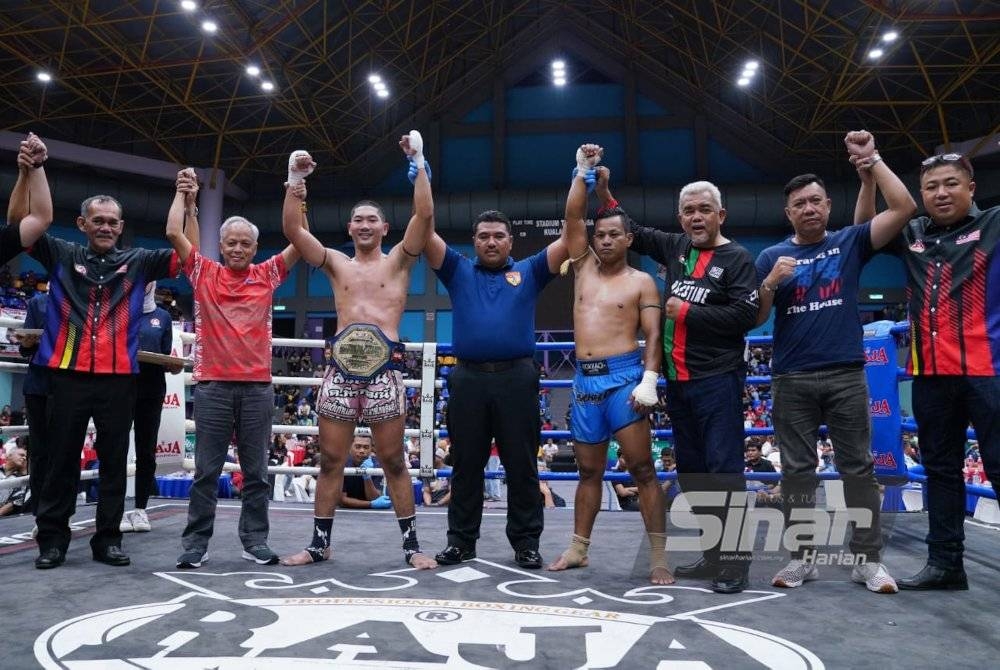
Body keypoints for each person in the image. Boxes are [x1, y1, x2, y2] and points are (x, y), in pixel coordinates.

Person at [755, 130, 915, 594]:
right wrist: (769, 282)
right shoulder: (772, 255)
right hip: (791, 377)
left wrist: (872, 162)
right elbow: (757, 318)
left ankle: (867, 560)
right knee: (797, 473)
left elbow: (903, 208)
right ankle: (802, 558)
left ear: (827, 205)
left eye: (815, 201)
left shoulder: (849, 243)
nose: (808, 208)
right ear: (788, 213)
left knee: (858, 470)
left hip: (845, 372)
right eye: (799, 203)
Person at [595, 168, 758, 593]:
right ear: (681, 217)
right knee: (693, 473)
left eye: (705, 209)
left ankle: (735, 563)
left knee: (724, 472)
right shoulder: (677, 246)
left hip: (718, 378)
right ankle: (714, 554)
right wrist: (606, 190)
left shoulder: (737, 258)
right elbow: (631, 228)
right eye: (688, 211)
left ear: (721, 214)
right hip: (679, 383)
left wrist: (686, 312)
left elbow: (746, 316)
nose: (696, 217)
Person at [279, 132, 437, 569]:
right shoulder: (334, 261)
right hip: (341, 375)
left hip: (385, 376)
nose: (365, 225)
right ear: (349, 228)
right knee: (330, 460)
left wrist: (419, 163)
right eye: (358, 220)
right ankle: (318, 545)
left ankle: (411, 546)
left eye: (372, 220)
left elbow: (424, 213)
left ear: (385, 228)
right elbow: (293, 229)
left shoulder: (401, 260)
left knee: (393, 460)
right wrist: (295, 180)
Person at [31, 183, 179, 569]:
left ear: (121, 226)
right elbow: (26, 224)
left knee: (114, 462)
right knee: (61, 461)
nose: (106, 227)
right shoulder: (61, 252)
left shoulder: (140, 260)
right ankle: (52, 541)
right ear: (82, 223)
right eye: (98, 220)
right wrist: (33, 170)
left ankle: (108, 540)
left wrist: (189, 201)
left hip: (118, 379)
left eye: (112, 222)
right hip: (67, 376)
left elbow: (186, 253)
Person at [425, 183, 570, 572]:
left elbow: (572, 238)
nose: (491, 242)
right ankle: (460, 543)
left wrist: (579, 180)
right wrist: (420, 171)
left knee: (521, 464)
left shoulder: (531, 270)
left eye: (498, 236)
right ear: (474, 241)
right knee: (466, 464)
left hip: (517, 379)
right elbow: (424, 230)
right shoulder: (457, 269)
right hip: (468, 379)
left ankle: (526, 544)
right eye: (484, 236)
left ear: (511, 242)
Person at [546, 144, 671, 584]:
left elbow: (655, 335)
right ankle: (579, 549)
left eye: (614, 235)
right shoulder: (582, 267)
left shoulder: (642, 282)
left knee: (642, 469)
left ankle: (657, 555)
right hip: (584, 383)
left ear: (628, 239)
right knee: (588, 471)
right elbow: (573, 219)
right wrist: (583, 171)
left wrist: (650, 379)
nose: (605, 240)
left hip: (625, 379)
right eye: (600, 235)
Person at [166, 167, 299, 569]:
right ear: (220, 245)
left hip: (257, 387)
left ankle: (255, 540)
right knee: (205, 472)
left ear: (255, 247)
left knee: (256, 472)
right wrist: (181, 193)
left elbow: (298, 237)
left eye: (245, 243)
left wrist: (296, 187)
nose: (238, 249)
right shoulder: (204, 273)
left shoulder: (268, 274)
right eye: (231, 243)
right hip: (212, 387)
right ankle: (196, 544)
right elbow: (175, 232)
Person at [879, 152, 1000, 590]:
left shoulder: (995, 224)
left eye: (951, 183)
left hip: (989, 371)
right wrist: (870, 166)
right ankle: (946, 565)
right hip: (930, 374)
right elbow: (862, 230)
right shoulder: (911, 232)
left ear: (971, 187)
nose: (941, 193)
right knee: (941, 471)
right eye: (931, 186)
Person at [120, 282, 183, 533]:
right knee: (115, 448)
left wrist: (174, 365)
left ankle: (140, 509)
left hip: (151, 390)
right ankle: (115, 508)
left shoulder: (163, 317)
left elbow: (165, 356)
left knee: (146, 452)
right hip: (120, 389)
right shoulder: (120, 311)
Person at [17, 291, 50, 519]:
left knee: (65, 450)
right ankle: (39, 511)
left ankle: (61, 509)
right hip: (38, 384)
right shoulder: (38, 302)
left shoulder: (83, 298)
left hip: (71, 385)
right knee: (39, 451)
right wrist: (28, 343)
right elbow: (24, 349)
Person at [340, 434, 392, 509]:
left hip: (373, 516)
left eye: (366, 447)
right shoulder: (342, 464)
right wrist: (371, 504)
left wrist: (367, 477)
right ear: (350, 447)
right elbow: (341, 500)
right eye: (358, 447)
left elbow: (375, 498)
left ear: (371, 449)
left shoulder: (378, 465)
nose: (362, 451)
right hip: (345, 513)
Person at [0, 443, 29, 517]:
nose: (24, 458)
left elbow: (13, 504)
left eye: (25, 456)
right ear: (9, 456)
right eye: (21, 455)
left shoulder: (21, 480)